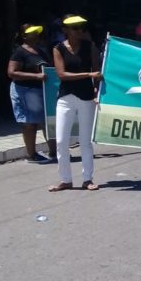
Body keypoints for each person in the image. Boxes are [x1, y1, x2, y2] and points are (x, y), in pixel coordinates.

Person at [48, 15, 102, 192]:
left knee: (85, 141)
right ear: (65, 30)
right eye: (75, 28)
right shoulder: (58, 49)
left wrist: (96, 90)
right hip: (65, 98)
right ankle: (65, 180)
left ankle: (88, 179)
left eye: (81, 27)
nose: (79, 31)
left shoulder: (90, 47)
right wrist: (88, 75)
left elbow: (98, 71)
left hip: (86, 97)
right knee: (62, 141)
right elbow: (62, 74)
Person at [7, 24, 57, 163]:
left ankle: (54, 152)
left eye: (36, 32)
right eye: (31, 32)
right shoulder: (19, 52)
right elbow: (11, 73)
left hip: (43, 91)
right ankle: (32, 155)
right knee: (30, 123)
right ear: (24, 36)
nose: (35, 34)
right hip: (25, 91)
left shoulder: (41, 51)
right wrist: (35, 77)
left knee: (47, 121)